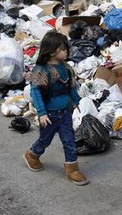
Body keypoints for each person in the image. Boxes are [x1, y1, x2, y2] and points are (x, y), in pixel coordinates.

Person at [22, 32, 88, 186]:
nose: (67, 51)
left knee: (69, 139)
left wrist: (77, 101)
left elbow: (70, 87)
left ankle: (72, 169)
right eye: (62, 49)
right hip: (50, 114)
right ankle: (32, 155)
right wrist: (42, 113)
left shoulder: (66, 68)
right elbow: (35, 92)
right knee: (45, 140)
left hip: (65, 111)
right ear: (51, 51)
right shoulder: (39, 70)